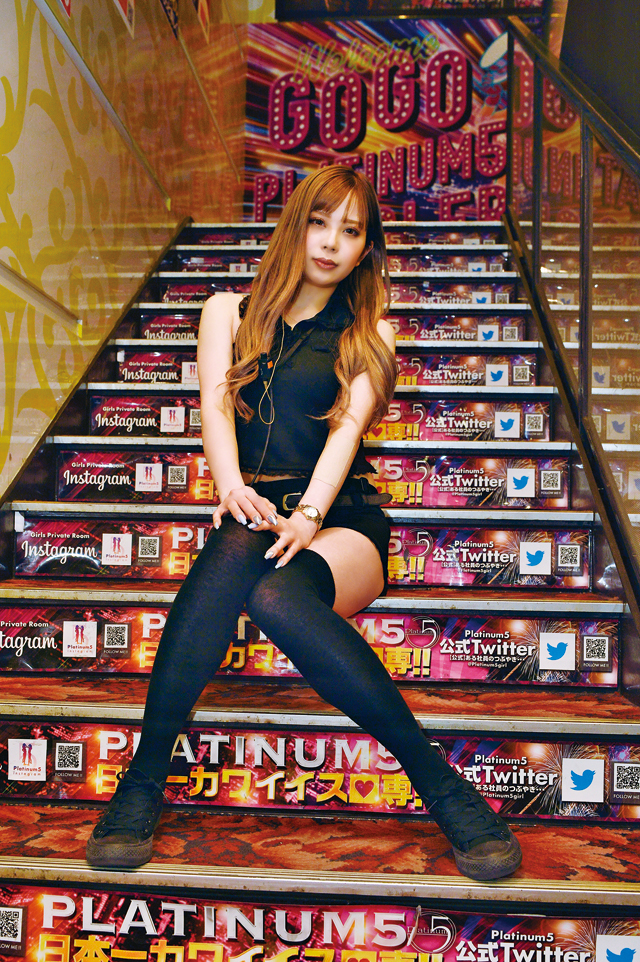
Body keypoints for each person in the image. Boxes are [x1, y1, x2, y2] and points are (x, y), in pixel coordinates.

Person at [86, 166, 522, 881]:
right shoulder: (226, 312)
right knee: (244, 555)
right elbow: (215, 409)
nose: (329, 242)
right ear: (295, 224)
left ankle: (441, 787)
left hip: (342, 520)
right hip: (255, 509)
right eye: (320, 222)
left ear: (365, 249)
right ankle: (142, 782)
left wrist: (311, 515)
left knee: (274, 589)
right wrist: (231, 486)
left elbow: (346, 434)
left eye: (350, 231)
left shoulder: (369, 332)